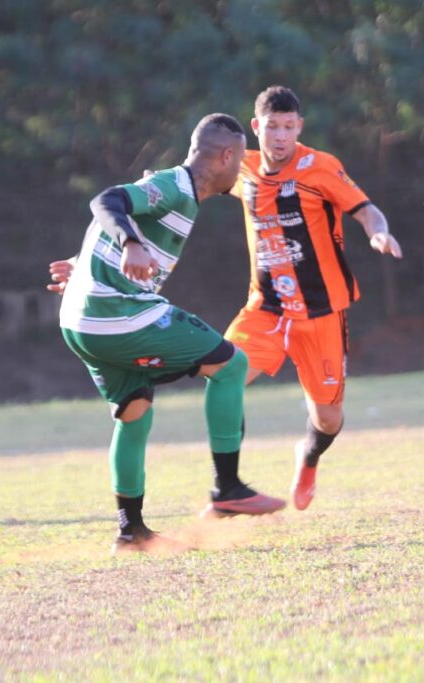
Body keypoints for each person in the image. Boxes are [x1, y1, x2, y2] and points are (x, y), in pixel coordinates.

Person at [49, 113, 285, 555]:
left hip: (79, 320)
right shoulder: (174, 186)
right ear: (226, 157)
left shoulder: (177, 193)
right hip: (115, 315)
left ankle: (131, 532)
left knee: (134, 412)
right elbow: (106, 201)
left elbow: (115, 218)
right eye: (240, 161)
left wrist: (85, 266)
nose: (240, 172)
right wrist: (129, 245)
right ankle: (228, 488)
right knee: (231, 364)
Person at [225, 85, 403, 512]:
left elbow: (364, 208)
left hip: (321, 313)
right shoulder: (240, 169)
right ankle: (228, 487)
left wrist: (377, 231)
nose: (281, 136)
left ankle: (308, 456)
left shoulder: (320, 167)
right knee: (223, 376)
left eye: (289, 126)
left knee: (329, 420)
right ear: (256, 128)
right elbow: (186, 186)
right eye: (272, 127)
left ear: (299, 127)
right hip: (264, 310)